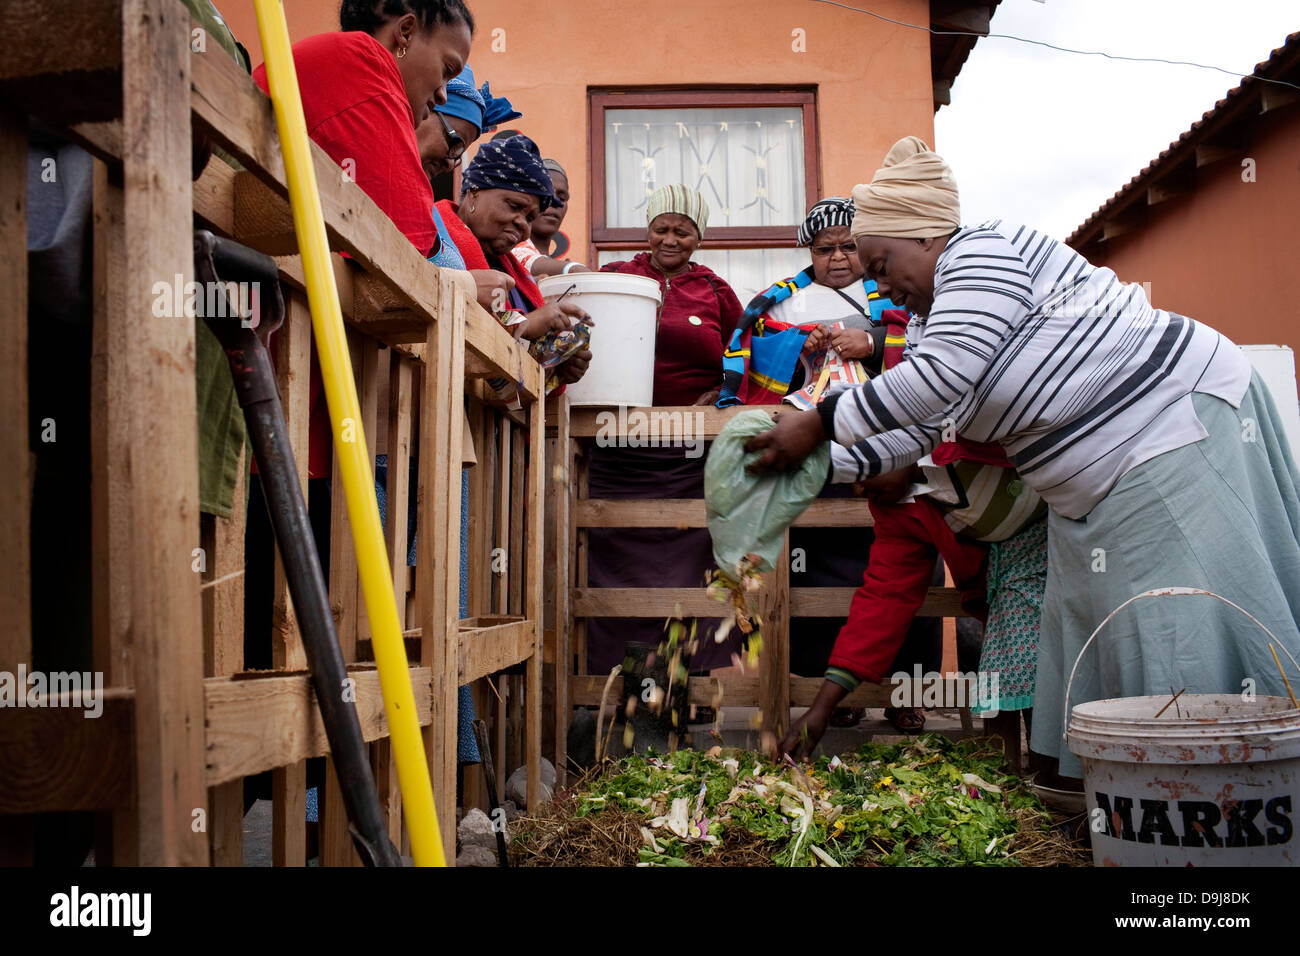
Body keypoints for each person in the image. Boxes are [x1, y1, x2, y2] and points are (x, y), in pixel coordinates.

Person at [747, 137, 1300, 785]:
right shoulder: (931, 323)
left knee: (1179, 619)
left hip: (1172, 431)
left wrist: (818, 422)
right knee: (1096, 629)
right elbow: (917, 435)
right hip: (1094, 490)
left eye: (880, 261)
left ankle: (1215, 786)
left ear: (925, 237)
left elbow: (940, 381)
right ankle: (1116, 793)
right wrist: (810, 468)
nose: (876, 281)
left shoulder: (981, 250)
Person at [719, 197, 941, 730]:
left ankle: (904, 693)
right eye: (825, 249)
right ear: (809, 251)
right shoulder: (779, 305)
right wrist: (800, 349)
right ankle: (829, 692)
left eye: (848, 246)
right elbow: (754, 367)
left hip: (893, 452)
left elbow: (933, 347)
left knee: (906, 565)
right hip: (820, 450)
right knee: (815, 568)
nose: (838, 257)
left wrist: (873, 342)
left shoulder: (901, 291)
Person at [583, 187, 746, 685]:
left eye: (683, 230)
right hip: (618, 445)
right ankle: (620, 683)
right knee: (616, 557)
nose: (669, 239)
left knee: (688, 559)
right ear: (647, 230)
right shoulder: (615, 278)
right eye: (661, 228)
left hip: (691, 452)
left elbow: (745, 357)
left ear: (700, 237)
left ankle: (687, 685)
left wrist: (720, 392)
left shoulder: (715, 290)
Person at [436, 134, 593, 388]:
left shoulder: (520, 280)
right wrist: (526, 324)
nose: (523, 224)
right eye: (513, 206)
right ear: (474, 192)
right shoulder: (434, 238)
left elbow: (513, 381)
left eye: (530, 217)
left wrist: (556, 364)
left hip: (491, 425)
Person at [512, 158, 590, 278]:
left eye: (562, 198)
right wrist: (571, 268)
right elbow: (526, 260)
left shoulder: (557, 269)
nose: (555, 203)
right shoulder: (510, 246)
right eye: (545, 194)